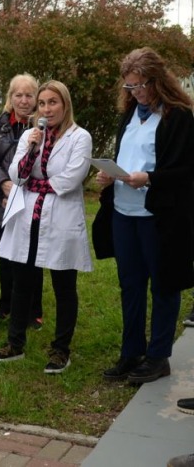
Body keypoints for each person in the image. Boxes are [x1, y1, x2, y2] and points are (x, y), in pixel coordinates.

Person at [93, 48, 194, 384]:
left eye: (139, 85)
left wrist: (148, 178)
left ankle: (158, 356)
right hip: (124, 213)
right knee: (131, 285)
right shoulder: (129, 116)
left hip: (158, 216)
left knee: (163, 284)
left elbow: (185, 170)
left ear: (157, 81)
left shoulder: (177, 116)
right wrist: (109, 175)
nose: (135, 93)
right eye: (129, 87)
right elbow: (128, 155)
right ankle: (131, 352)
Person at [0, 80, 92, 374]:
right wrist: (31, 147)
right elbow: (16, 175)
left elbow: (69, 181)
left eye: (52, 102)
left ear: (65, 104)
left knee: (63, 285)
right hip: (28, 217)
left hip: (60, 220)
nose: (47, 108)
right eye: (42, 103)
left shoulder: (80, 137)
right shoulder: (32, 136)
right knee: (22, 282)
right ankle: (15, 343)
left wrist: (35, 184)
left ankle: (61, 350)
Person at [0, 74, 44, 327]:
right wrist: (3, 183)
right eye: (18, 95)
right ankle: (7, 305)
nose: (24, 100)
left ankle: (33, 310)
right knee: (6, 257)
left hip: (33, 199)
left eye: (29, 95)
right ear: (11, 97)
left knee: (33, 257)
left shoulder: (44, 126)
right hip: (3, 200)